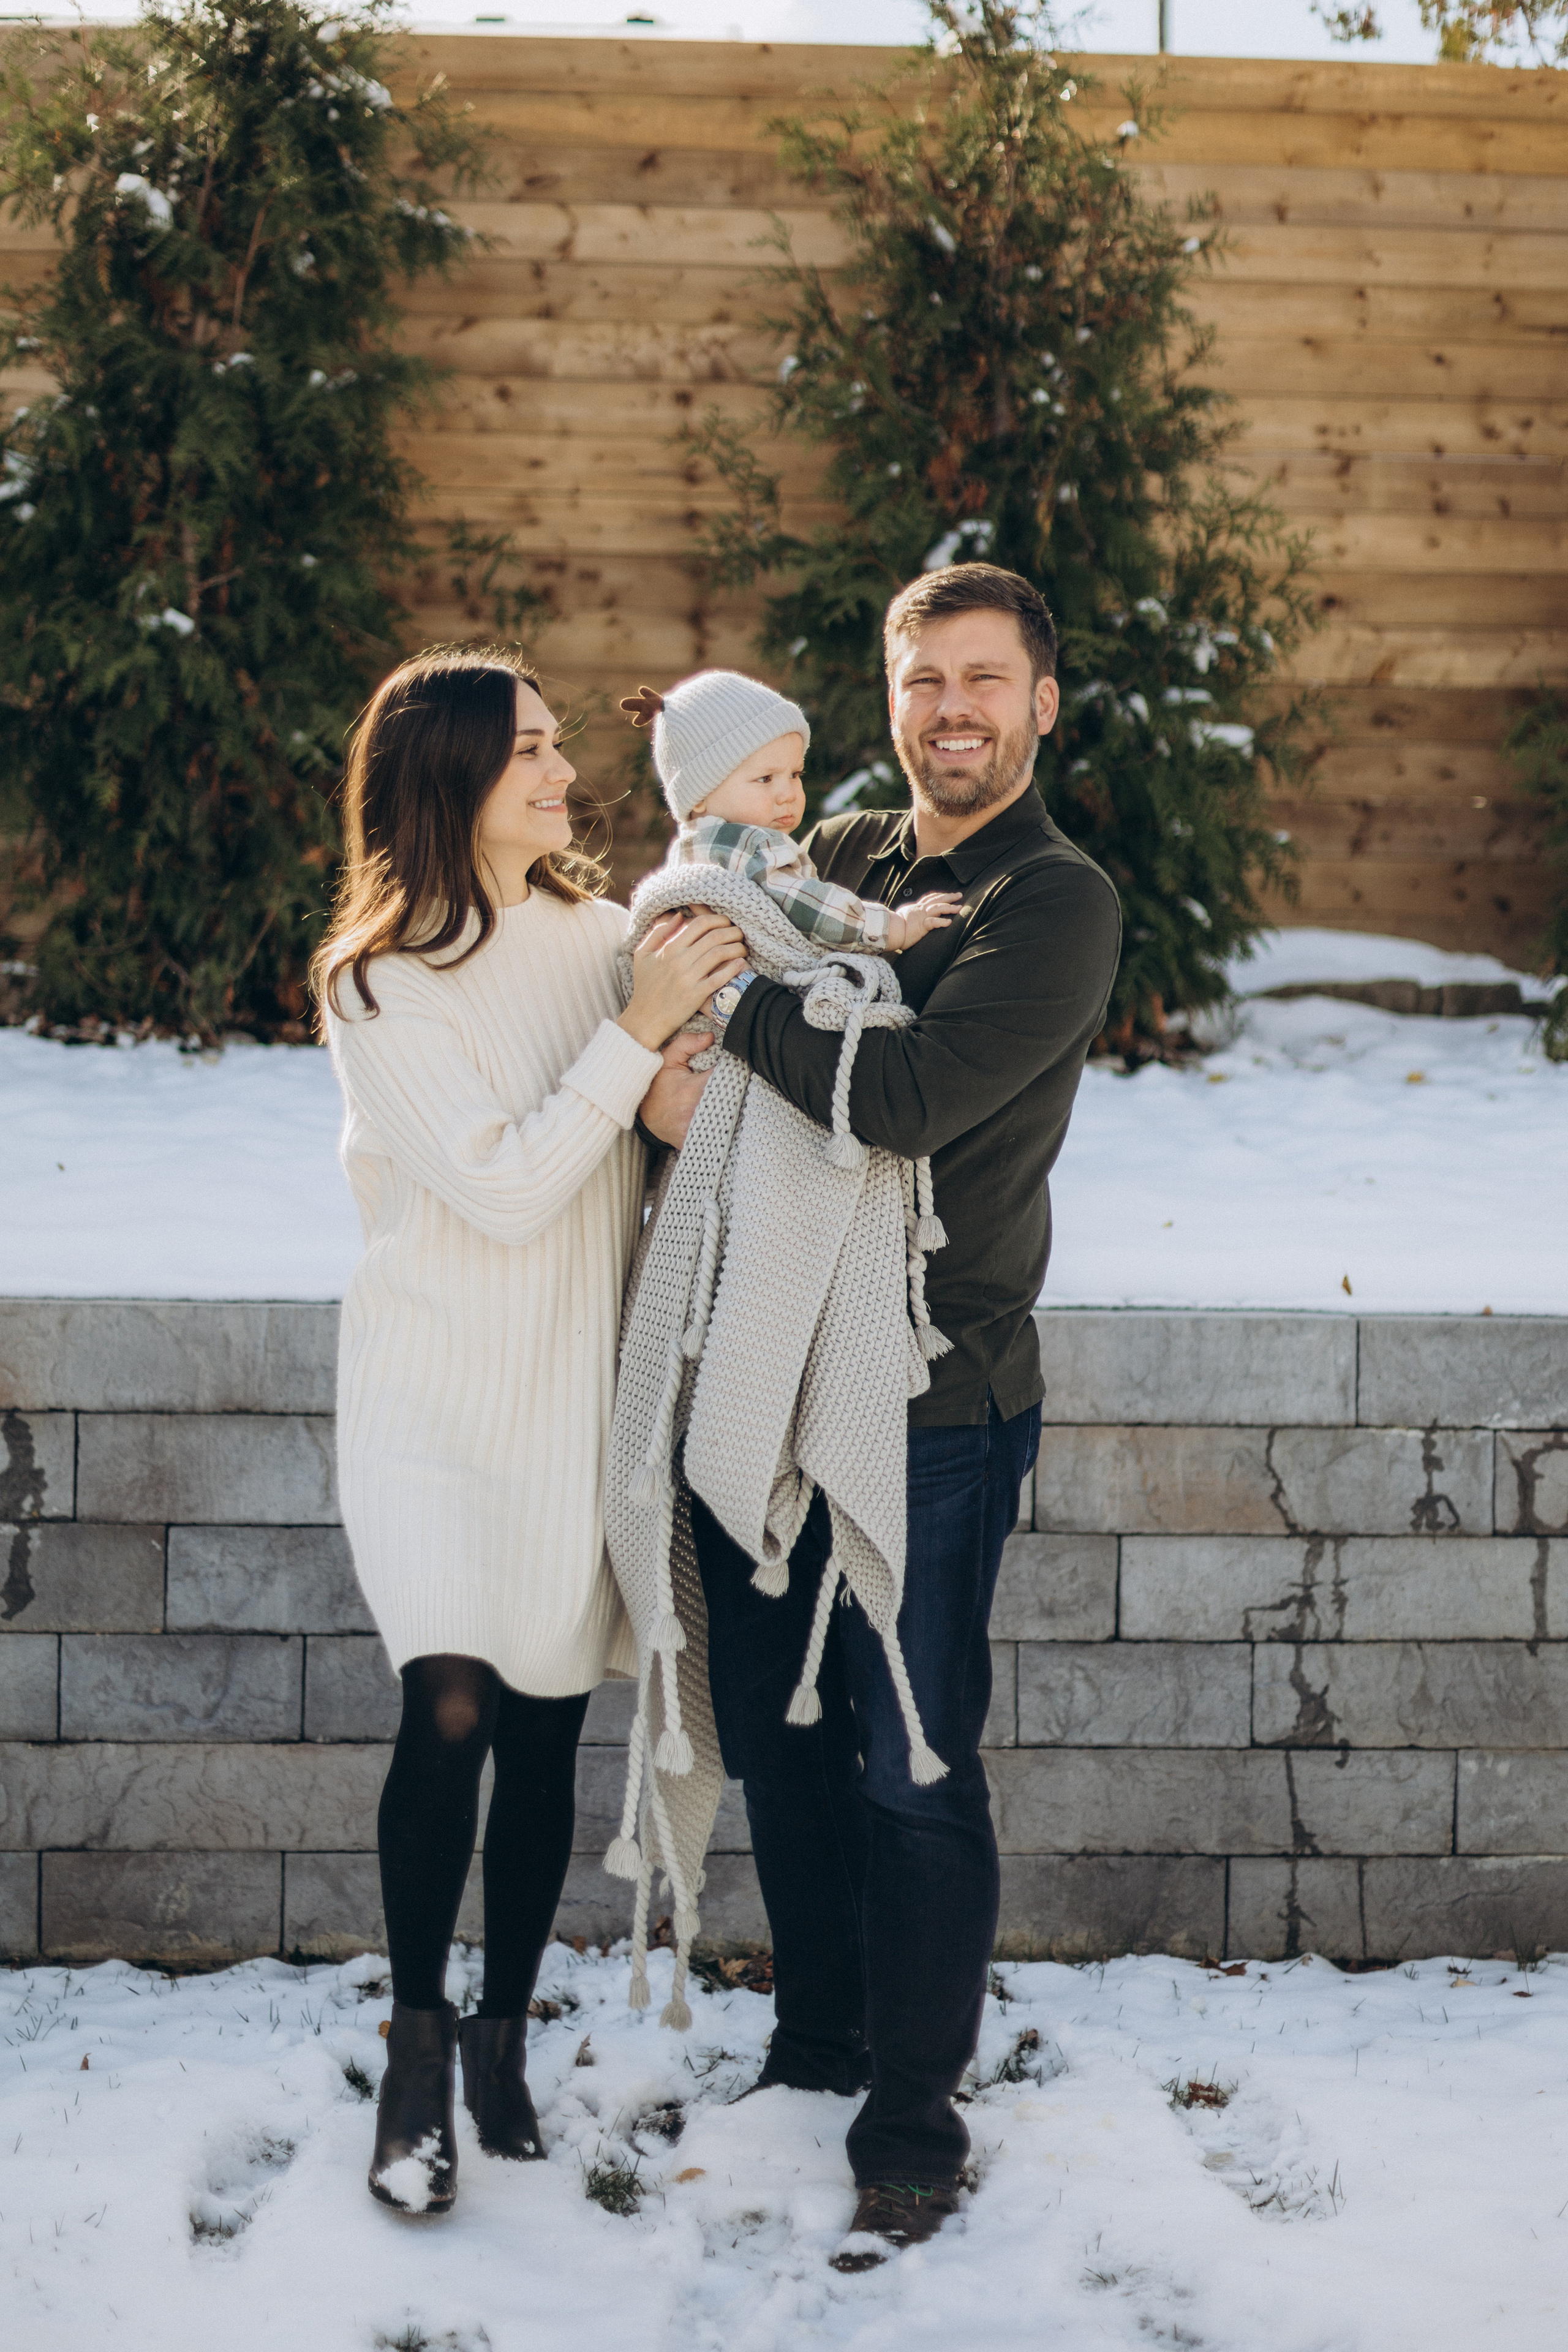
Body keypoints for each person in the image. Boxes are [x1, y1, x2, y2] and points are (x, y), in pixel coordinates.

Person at [638, 563, 1122, 2270]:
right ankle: (820, 2043)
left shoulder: (1055, 901)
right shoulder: (835, 854)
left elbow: (902, 1096)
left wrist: (728, 1018)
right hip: (764, 1366)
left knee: (913, 1765)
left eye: (987, 681)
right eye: (925, 681)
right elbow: (690, 905)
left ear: (1043, 702)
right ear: (892, 693)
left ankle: (913, 2125)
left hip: (938, 1403)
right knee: (780, 1737)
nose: (954, 713)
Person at [312, 647, 745, 2215]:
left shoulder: (598, 933)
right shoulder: (378, 980)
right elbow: (499, 1184)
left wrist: (679, 1041)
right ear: (448, 779)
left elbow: (660, 1112)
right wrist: (634, 1033)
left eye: (562, 745)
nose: (564, 774)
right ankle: (415, 2064)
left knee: (552, 1720)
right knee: (448, 1702)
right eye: (529, 753)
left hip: (580, 1385)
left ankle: (502, 2042)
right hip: (432, 1390)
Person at [620, 669, 960, 958]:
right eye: (765, 779)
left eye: (795, 775)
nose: (788, 794)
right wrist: (896, 927)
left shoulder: (687, 852)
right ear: (698, 796)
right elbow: (810, 909)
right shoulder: (749, 846)